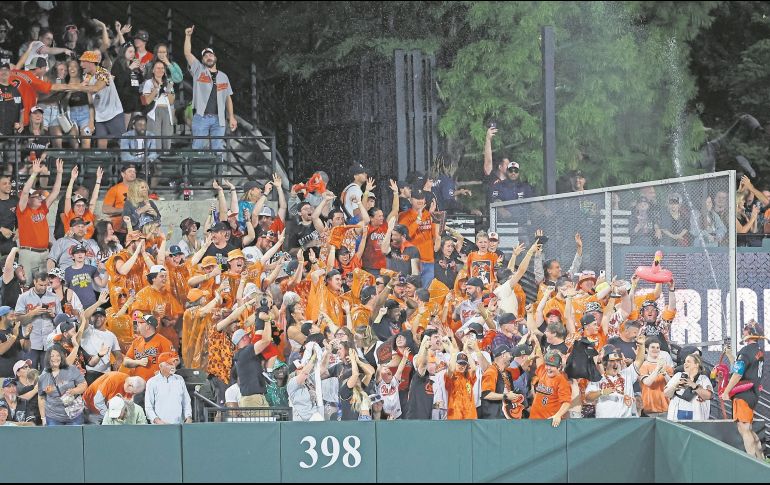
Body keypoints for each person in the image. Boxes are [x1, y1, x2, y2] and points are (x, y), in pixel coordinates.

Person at [183, 26, 236, 154]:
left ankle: (218, 174)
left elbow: (228, 98)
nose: (208, 57)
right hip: (201, 116)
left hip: (220, 119)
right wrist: (188, 36)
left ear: (215, 57)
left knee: (218, 150)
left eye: (210, 54)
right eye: (205, 56)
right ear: (202, 60)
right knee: (197, 149)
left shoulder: (223, 76)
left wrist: (232, 117)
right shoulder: (198, 69)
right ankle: (195, 173)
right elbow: (187, 53)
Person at [719, 321, 764, 459]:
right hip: (753, 394)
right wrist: (730, 356)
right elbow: (741, 367)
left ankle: (752, 462)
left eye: (745, 329)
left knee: (743, 428)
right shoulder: (758, 351)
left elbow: (738, 373)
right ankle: (761, 459)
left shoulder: (745, 351)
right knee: (748, 428)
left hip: (743, 395)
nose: (743, 332)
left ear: (750, 334)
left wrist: (726, 391)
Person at [17, 158, 63, 282]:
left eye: (40, 195)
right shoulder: (23, 210)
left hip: (44, 253)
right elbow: (25, 191)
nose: (40, 197)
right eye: (36, 196)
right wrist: (34, 173)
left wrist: (59, 173)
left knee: (44, 286)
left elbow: (55, 192)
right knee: (25, 285)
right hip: (28, 253)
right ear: (29, 199)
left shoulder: (43, 208)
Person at [585, 336, 646, 418]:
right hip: (605, 422)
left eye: (617, 360)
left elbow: (639, 360)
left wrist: (642, 345)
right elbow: (588, 398)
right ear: (605, 363)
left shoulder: (627, 374)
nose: (615, 363)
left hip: (625, 420)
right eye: (612, 361)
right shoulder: (597, 379)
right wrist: (602, 392)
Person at [78, 50, 125, 149]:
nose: (81, 64)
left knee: (123, 144)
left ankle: (127, 164)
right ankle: (102, 165)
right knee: (101, 148)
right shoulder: (86, 77)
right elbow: (90, 100)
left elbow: (96, 88)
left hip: (114, 114)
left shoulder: (104, 73)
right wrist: (91, 121)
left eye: (83, 62)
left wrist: (77, 87)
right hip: (99, 118)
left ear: (91, 63)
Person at [15, 270, 60, 369]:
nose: (43, 287)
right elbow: (18, 319)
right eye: (40, 285)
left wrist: (54, 315)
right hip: (31, 341)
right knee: (30, 374)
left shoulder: (54, 297)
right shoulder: (24, 297)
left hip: (49, 341)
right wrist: (33, 313)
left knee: (48, 374)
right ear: (34, 282)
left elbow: (60, 321)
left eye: (45, 285)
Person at [398, 189, 440, 287]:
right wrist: (419, 219)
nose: (420, 201)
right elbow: (405, 235)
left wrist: (432, 216)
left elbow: (435, 235)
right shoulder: (404, 215)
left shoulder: (429, 214)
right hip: (412, 261)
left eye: (422, 198)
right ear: (411, 200)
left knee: (425, 294)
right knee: (411, 291)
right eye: (417, 198)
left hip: (428, 260)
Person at [38, 345, 87, 425]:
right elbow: (41, 398)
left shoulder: (72, 369)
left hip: (75, 415)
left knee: (76, 437)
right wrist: (43, 418)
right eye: (52, 356)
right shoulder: (43, 377)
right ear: (47, 358)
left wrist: (74, 391)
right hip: (53, 417)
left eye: (58, 355)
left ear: (62, 357)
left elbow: (83, 384)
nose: (55, 358)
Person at [123, 314, 174, 383]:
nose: (137, 324)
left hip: (156, 384)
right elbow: (126, 361)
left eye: (140, 323)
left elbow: (174, 361)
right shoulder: (136, 342)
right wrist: (138, 362)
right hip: (138, 384)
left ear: (147, 327)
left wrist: (162, 372)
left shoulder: (164, 342)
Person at [145, 352, 192, 424]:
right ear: (160, 366)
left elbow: (186, 401)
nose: (172, 366)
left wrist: (188, 416)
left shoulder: (179, 379)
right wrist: (157, 420)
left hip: (179, 425)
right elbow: (148, 406)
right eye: (169, 364)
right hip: (160, 427)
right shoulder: (152, 382)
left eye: (173, 363)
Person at [479, 345, 525, 419]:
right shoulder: (491, 372)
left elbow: (522, 369)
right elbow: (486, 394)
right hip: (494, 418)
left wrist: (531, 357)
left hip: (506, 416)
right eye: (509, 354)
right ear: (503, 355)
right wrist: (506, 396)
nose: (511, 356)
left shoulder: (507, 372)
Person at [664, 352, 712, 422]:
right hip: (677, 414)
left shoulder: (703, 379)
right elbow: (666, 394)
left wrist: (693, 384)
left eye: (688, 362)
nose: (685, 364)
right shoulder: (678, 376)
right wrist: (675, 385)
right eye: (685, 362)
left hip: (697, 416)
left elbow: (709, 396)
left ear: (696, 365)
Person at [141, 60, 175, 150]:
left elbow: (171, 101)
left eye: (162, 68)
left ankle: (166, 160)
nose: (160, 70)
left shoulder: (168, 82)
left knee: (166, 138)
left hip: (167, 111)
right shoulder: (148, 82)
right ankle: (155, 161)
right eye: (158, 68)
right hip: (153, 112)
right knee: (155, 139)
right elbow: (147, 101)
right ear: (153, 70)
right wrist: (156, 89)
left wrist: (168, 91)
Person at [61, 165, 102, 239]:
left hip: (88, 245)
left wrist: (98, 180)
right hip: (72, 245)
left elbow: (94, 199)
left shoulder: (88, 215)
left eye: (83, 205)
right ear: (73, 207)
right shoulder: (70, 215)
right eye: (78, 205)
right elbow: (67, 198)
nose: (81, 208)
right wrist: (72, 179)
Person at [638, 337, 674, 417]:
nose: (656, 349)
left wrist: (665, 373)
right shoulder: (643, 366)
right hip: (649, 409)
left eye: (658, 347)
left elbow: (672, 385)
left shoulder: (667, 367)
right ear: (647, 349)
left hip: (666, 408)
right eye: (653, 347)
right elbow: (647, 382)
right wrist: (657, 368)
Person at [102, 163, 137, 241]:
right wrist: (124, 210)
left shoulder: (140, 189)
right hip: (118, 230)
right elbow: (105, 209)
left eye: (134, 172)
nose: (133, 173)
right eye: (130, 171)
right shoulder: (115, 189)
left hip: (136, 228)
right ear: (123, 174)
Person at [0, 306, 22, 376]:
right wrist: (14, 336)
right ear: (3, 317)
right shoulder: (14, 332)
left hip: (16, 372)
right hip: (3, 374)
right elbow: (1, 350)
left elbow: (24, 348)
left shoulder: (12, 330)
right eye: (11, 316)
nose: (14, 318)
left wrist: (27, 336)